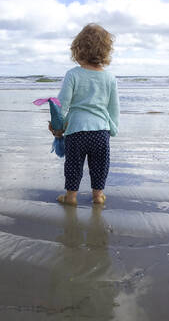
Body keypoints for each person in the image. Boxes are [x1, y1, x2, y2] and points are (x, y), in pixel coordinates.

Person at [49, 23, 119, 206]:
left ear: (77, 50)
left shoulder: (72, 75)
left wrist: (57, 127)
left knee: (73, 165)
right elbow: (114, 108)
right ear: (105, 51)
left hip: (76, 131)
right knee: (100, 166)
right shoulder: (110, 78)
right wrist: (113, 129)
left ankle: (71, 197)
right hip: (100, 131)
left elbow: (61, 104)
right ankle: (98, 196)